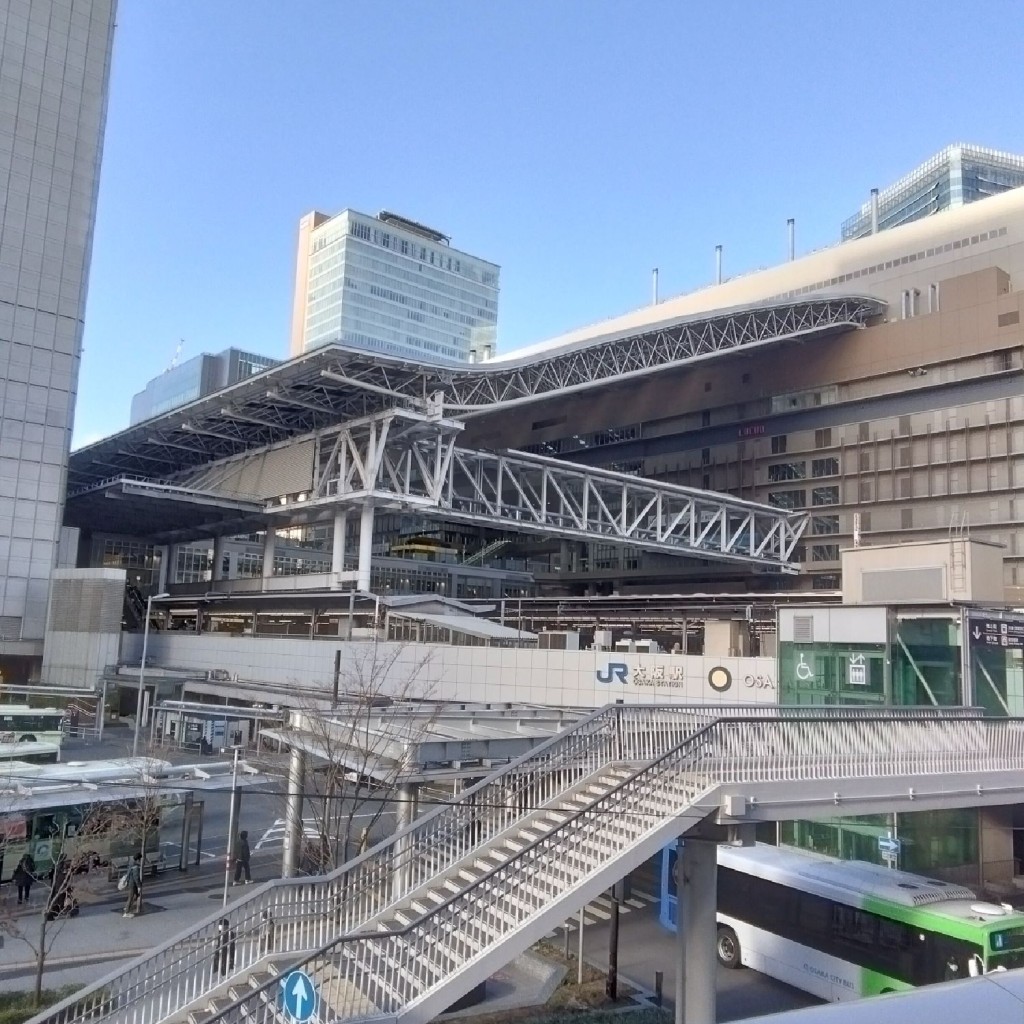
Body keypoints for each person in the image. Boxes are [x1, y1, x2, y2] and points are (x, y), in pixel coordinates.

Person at [122, 852, 143, 918]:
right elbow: (136, 877)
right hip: (133, 884)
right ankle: (126, 912)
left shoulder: (131, 863)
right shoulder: (135, 867)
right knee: (131, 897)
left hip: (130, 882)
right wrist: (139, 886)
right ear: (138, 859)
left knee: (135, 895)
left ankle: (127, 907)